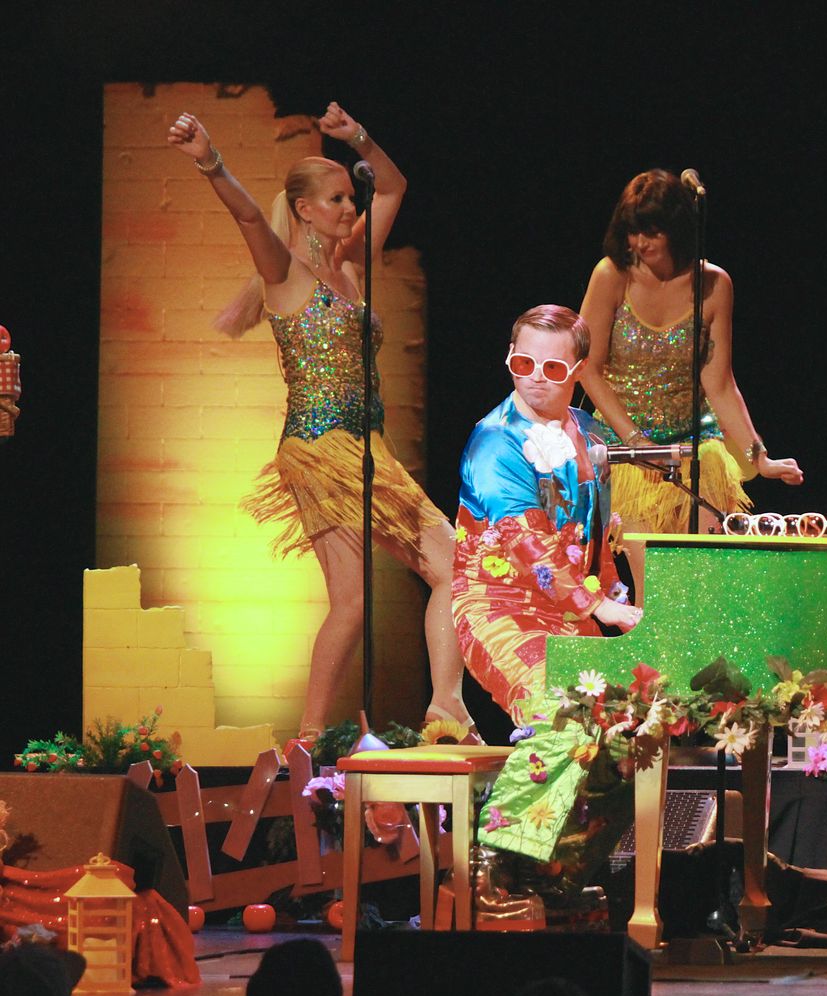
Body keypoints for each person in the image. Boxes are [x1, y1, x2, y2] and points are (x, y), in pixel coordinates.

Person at [166, 104, 471, 747]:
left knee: (455, 566)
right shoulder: (284, 274)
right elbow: (249, 216)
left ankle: (446, 706)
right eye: (335, 200)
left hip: (370, 449)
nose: (348, 209)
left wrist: (358, 136)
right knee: (352, 603)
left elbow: (393, 186)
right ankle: (306, 740)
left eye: (349, 200)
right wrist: (210, 161)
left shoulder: (353, 263)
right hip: (317, 448)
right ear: (303, 209)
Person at [577, 169, 803, 598]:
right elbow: (587, 367)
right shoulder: (611, 275)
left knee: (706, 583)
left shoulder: (714, 284)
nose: (640, 243)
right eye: (633, 231)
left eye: (652, 232)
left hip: (696, 448)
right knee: (658, 590)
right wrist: (637, 441)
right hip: (629, 454)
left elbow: (719, 383)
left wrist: (760, 457)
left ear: (677, 229)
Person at [453, 305, 641, 714]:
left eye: (552, 368)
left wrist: (616, 597)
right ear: (509, 357)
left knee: (628, 713)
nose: (535, 377)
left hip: (572, 608)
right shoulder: (495, 442)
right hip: (502, 605)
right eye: (524, 363)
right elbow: (523, 539)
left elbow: (595, 533)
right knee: (557, 710)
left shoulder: (589, 430)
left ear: (579, 370)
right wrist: (599, 606)